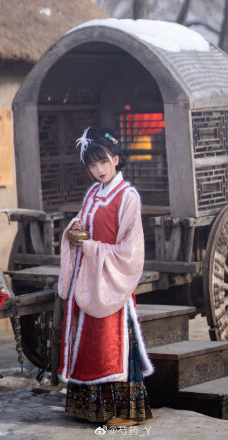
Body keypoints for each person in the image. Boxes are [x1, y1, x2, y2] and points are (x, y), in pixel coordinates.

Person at [57, 126, 153, 427]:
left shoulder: (128, 197)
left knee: (110, 344)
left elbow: (130, 251)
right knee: (89, 343)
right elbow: (85, 225)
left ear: (116, 160)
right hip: (89, 279)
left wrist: (91, 247)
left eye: (103, 162)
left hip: (111, 281)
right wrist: (74, 231)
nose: (98, 170)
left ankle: (124, 412)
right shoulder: (93, 194)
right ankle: (89, 408)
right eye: (92, 164)